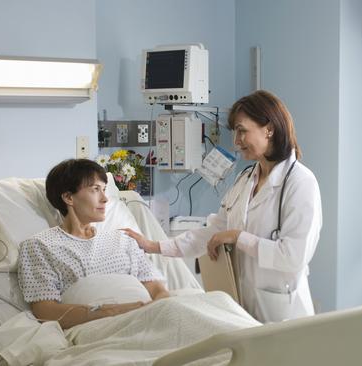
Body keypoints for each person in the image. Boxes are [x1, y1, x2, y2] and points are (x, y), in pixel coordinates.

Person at [124, 90, 322, 323]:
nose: (236, 142)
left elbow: (293, 257)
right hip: (244, 310)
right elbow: (212, 233)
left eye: (242, 131)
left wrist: (239, 237)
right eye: (235, 133)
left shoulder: (300, 182)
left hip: (284, 313)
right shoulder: (245, 180)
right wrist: (153, 246)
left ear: (269, 129)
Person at [18, 159, 169, 329]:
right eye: (95, 189)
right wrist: (114, 312)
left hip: (152, 318)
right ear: (68, 197)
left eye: (104, 189)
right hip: (98, 329)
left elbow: (158, 291)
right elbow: (46, 312)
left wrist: (156, 311)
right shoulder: (40, 246)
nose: (105, 199)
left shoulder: (123, 239)